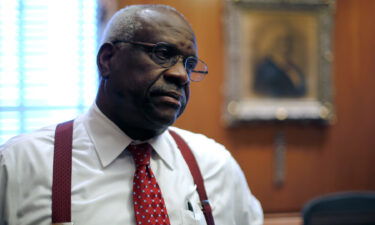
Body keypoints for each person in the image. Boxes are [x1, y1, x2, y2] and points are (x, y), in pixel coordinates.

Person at [0, 4, 263, 225]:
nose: (181, 75)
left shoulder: (215, 165)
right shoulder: (21, 164)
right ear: (107, 60)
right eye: (162, 54)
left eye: (189, 64)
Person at [253, 22, 306, 98]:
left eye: (287, 41)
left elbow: (301, 91)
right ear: (273, 44)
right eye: (281, 41)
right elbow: (263, 91)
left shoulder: (292, 67)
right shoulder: (265, 67)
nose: (285, 46)